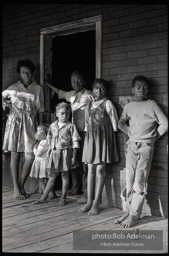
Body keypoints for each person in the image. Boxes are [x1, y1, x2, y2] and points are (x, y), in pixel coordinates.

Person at [115, 75, 168, 228]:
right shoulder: (129, 106)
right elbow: (121, 123)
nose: (142, 90)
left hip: (146, 147)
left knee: (140, 179)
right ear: (133, 89)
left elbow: (165, 124)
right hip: (131, 146)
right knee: (129, 179)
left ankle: (133, 215)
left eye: (145, 88)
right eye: (138, 87)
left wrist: (151, 138)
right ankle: (128, 210)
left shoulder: (152, 104)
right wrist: (130, 134)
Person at [46, 70, 93, 202]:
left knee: (84, 161)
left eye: (79, 80)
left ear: (84, 81)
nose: (76, 83)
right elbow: (60, 92)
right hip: (72, 132)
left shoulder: (89, 94)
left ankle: (85, 191)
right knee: (73, 161)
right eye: (73, 81)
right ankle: (75, 187)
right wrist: (47, 84)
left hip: (85, 131)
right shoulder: (71, 94)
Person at [2, 59, 44, 200]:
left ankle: (20, 185)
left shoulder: (38, 89)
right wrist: (6, 105)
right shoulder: (13, 87)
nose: (26, 74)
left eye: (28, 72)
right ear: (19, 73)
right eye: (23, 72)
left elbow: (40, 110)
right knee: (15, 154)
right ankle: (16, 189)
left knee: (30, 156)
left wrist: (41, 127)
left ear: (33, 73)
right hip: (15, 122)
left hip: (30, 123)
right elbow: (2, 98)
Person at [78, 78, 119, 215]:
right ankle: (89, 201)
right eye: (96, 88)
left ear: (106, 91)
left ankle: (97, 202)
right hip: (91, 139)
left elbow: (115, 123)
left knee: (100, 170)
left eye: (102, 89)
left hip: (103, 140)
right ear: (92, 88)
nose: (99, 91)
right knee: (90, 170)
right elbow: (86, 124)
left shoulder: (108, 104)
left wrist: (109, 143)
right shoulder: (89, 104)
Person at [33, 102, 81, 206]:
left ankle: (63, 198)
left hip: (65, 153)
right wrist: (49, 153)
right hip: (54, 154)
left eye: (67, 114)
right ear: (57, 114)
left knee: (64, 176)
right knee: (52, 176)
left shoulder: (71, 126)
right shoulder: (52, 126)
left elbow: (75, 142)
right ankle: (44, 197)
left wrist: (74, 156)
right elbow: (49, 140)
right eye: (62, 113)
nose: (65, 116)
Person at [30, 124, 57, 199]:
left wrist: (34, 149)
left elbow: (38, 153)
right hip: (41, 162)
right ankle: (49, 193)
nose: (36, 133)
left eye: (38, 132)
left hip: (42, 163)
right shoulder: (42, 142)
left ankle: (47, 193)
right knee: (44, 179)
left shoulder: (44, 142)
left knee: (43, 179)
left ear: (44, 135)